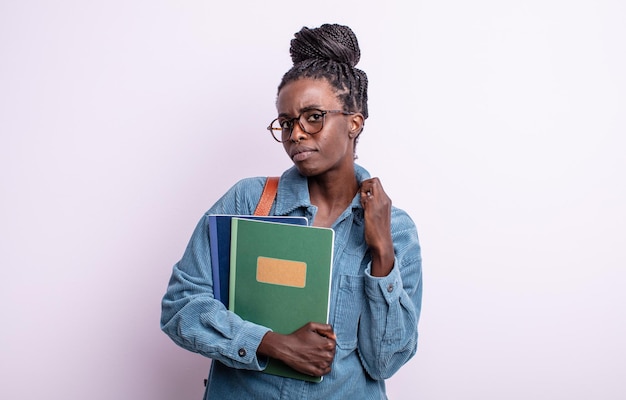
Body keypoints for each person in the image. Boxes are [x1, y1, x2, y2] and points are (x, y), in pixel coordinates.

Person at [160, 23, 423, 399]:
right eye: (286, 123)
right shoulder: (248, 200)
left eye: (313, 117)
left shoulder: (396, 229)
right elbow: (180, 306)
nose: (296, 134)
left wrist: (382, 251)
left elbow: (385, 361)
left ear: (354, 122)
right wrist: (270, 343)